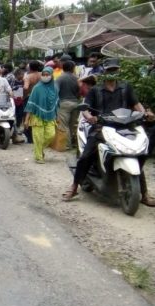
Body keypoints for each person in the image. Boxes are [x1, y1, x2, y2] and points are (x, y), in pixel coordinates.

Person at [62, 58, 155, 205]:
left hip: (125, 126)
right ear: (104, 72)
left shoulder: (126, 87)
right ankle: (74, 186)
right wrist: (89, 117)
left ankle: (144, 194)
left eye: (115, 70)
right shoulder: (95, 90)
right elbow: (85, 108)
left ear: (119, 71)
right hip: (102, 127)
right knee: (86, 156)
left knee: (138, 152)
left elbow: (136, 104)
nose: (112, 73)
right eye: (110, 70)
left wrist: (145, 114)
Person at [24, 66, 58, 164]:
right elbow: (30, 104)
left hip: (50, 116)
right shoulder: (37, 88)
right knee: (38, 137)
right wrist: (27, 119)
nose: (45, 76)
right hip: (37, 116)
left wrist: (57, 116)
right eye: (43, 75)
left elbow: (56, 104)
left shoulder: (55, 88)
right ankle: (38, 156)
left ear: (51, 76)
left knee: (51, 135)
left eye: (48, 75)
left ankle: (39, 149)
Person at [56, 60, 80, 150]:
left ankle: (66, 145)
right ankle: (73, 143)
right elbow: (79, 91)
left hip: (64, 103)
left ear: (63, 67)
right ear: (73, 68)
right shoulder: (77, 78)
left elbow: (55, 90)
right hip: (76, 103)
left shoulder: (60, 78)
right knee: (72, 125)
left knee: (63, 125)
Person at [23, 60, 43, 144]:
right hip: (41, 98)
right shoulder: (43, 75)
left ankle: (30, 138)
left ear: (30, 67)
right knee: (39, 117)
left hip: (30, 98)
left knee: (27, 117)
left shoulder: (28, 76)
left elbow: (26, 87)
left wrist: (24, 96)